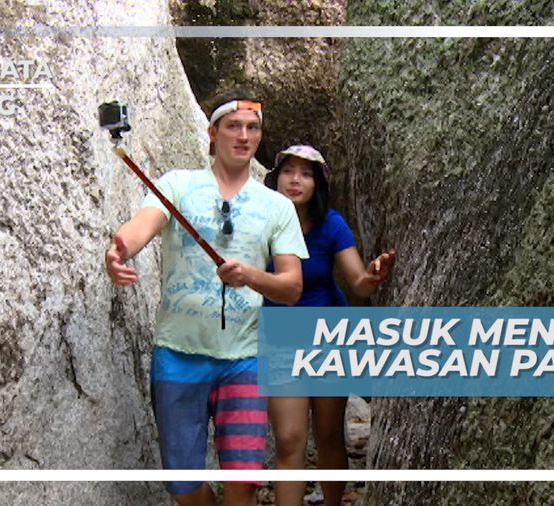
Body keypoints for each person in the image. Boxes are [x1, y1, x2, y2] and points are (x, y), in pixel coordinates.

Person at [105, 90, 309, 506]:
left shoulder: (277, 207)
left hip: (245, 359)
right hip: (178, 354)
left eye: (252, 128)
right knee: (183, 485)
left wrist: (251, 275)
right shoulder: (178, 184)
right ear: (212, 133)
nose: (244, 135)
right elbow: (143, 224)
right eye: (234, 126)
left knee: (242, 483)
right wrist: (119, 250)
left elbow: (291, 287)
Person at [264, 144, 394, 506]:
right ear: (275, 179)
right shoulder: (259, 223)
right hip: (280, 337)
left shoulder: (330, 224)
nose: (295, 180)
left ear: (317, 184)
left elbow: (357, 281)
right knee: (289, 437)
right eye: (289, 171)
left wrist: (374, 273)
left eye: (306, 174)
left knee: (328, 433)